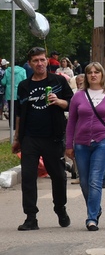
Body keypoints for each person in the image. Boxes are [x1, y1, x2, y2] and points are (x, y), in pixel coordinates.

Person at [13, 47, 74, 231]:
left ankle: (60, 209)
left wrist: (59, 101)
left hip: (53, 137)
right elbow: (19, 114)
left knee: (58, 176)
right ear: (30, 63)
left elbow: (71, 104)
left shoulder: (58, 81)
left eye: (42, 60)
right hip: (30, 138)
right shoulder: (24, 86)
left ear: (47, 61)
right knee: (29, 178)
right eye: (35, 61)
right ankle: (31, 217)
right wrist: (17, 138)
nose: (39, 63)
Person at [65, 61, 105, 231]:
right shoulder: (78, 96)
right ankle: (96, 208)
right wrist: (68, 144)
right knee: (84, 182)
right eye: (90, 72)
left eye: (96, 72)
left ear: (102, 75)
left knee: (94, 180)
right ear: (86, 76)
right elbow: (71, 122)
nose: (93, 75)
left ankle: (91, 217)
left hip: (104, 141)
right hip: (81, 144)